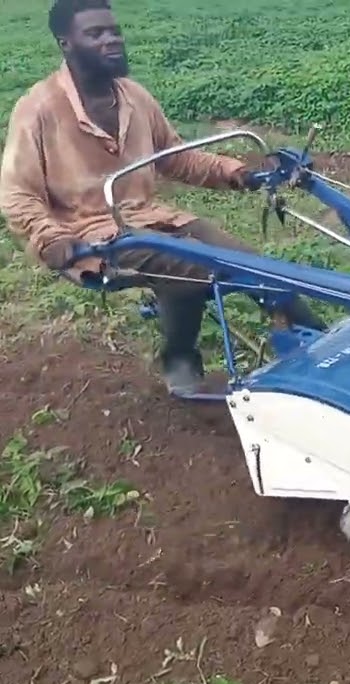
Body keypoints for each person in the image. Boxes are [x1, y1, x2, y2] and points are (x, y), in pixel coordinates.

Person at [0, 0, 325, 396]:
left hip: (155, 218)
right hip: (92, 235)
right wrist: (49, 239)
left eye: (113, 30)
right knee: (194, 269)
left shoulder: (134, 96)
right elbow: (17, 193)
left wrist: (235, 171)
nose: (111, 40)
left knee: (259, 268)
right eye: (95, 34)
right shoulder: (37, 109)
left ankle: (326, 353)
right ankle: (180, 364)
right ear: (67, 43)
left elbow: (177, 157)